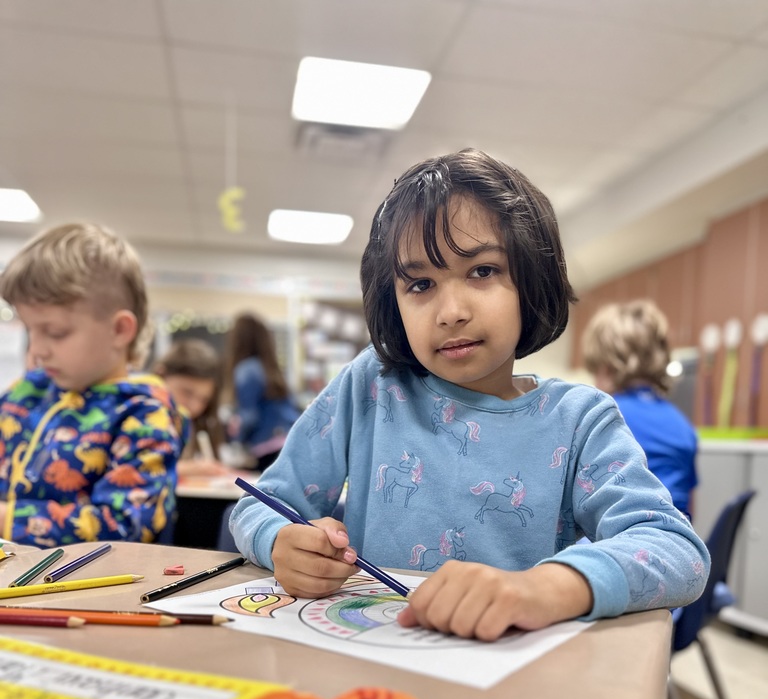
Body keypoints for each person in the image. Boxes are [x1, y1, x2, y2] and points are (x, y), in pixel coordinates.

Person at [229, 148, 709, 641]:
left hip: (507, 677)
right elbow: (259, 504)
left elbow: (677, 550)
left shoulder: (580, 420)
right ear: (393, 303)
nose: (451, 310)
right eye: (420, 283)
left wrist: (548, 588)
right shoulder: (372, 384)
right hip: (372, 658)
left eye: (482, 271)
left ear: (530, 279)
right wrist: (281, 541)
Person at [0, 222, 187, 548]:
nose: (38, 349)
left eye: (55, 332)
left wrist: (7, 520)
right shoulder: (26, 392)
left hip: (75, 589)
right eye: (31, 330)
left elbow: (123, 524)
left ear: (119, 331)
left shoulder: (143, 412)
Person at [581, 299, 699, 520]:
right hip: (676, 543)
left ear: (608, 367)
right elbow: (689, 505)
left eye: (595, 369)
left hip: (626, 544)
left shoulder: (605, 417)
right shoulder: (683, 425)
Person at [223, 312, 299, 469]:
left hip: (265, 449)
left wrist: (234, 439)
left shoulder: (246, 370)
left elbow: (249, 416)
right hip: (289, 442)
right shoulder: (274, 371)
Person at [154, 337, 230, 478]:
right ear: (161, 375)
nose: (194, 407)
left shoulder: (194, 425)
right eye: (187, 392)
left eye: (204, 400)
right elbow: (139, 469)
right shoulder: (141, 418)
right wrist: (188, 469)